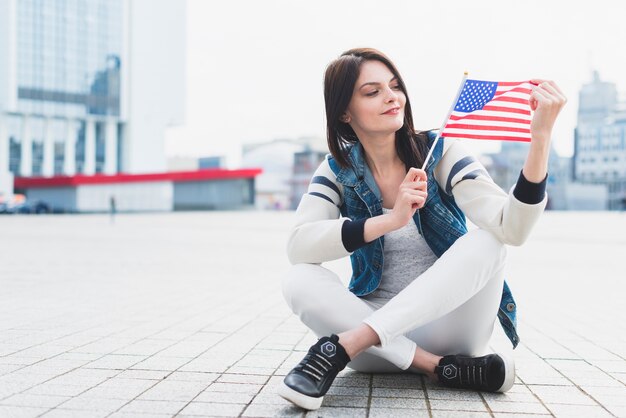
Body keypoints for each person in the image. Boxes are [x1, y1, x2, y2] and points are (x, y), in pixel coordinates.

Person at [277, 48, 567, 411]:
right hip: (379, 352)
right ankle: (434, 368)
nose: (391, 97)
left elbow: (513, 229)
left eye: (395, 86)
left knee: (488, 243)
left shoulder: (440, 152)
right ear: (344, 113)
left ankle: (349, 344)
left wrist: (539, 140)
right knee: (298, 278)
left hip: (447, 331)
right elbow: (299, 246)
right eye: (372, 91)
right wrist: (389, 220)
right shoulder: (337, 169)